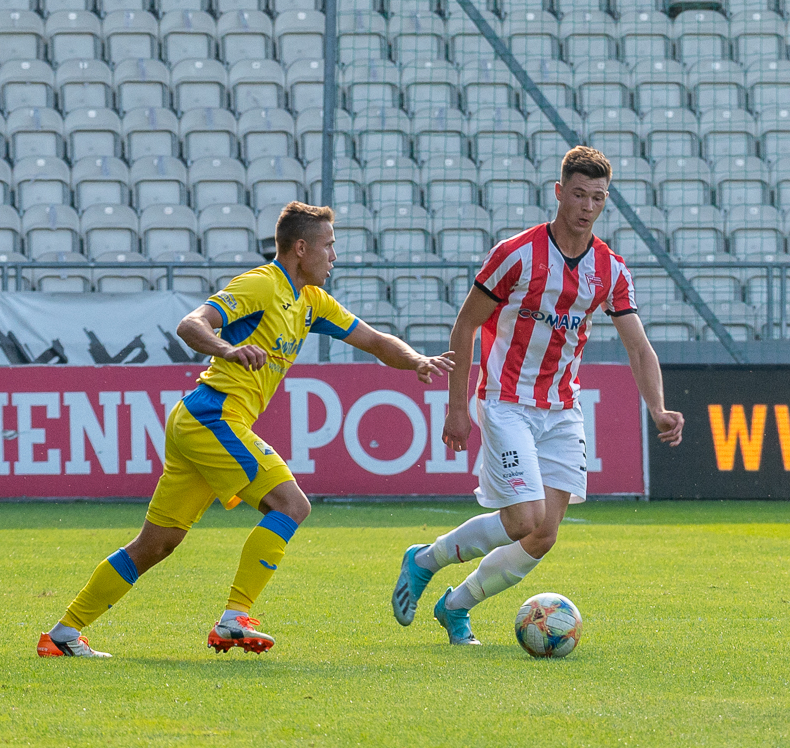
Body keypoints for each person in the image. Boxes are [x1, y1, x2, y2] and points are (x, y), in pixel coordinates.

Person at [37, 202, 456, 657]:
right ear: (301, 248)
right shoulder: (260, 285)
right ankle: (235, 618)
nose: (334, 256)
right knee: (291, 505)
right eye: (328, 246)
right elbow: (190, 324)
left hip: (200, 422)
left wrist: (416, 360)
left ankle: (63, 634)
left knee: (156, 545)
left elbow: (374, 340)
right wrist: (226, 349)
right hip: (211, 417)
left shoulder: (311, 302)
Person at [391, 146, 685, 645]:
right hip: (505, 400)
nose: (587, 206)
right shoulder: (516, 254)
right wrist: (457, 408)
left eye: (597, 197)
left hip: (563, 409)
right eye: (579, 194)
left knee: (543, 533)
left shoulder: (610, 269)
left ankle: (455, 606)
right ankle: (425, 559)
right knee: (523, 518)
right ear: (558, 192)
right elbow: (465, 326)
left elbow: (638, 346)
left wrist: (657, 408)